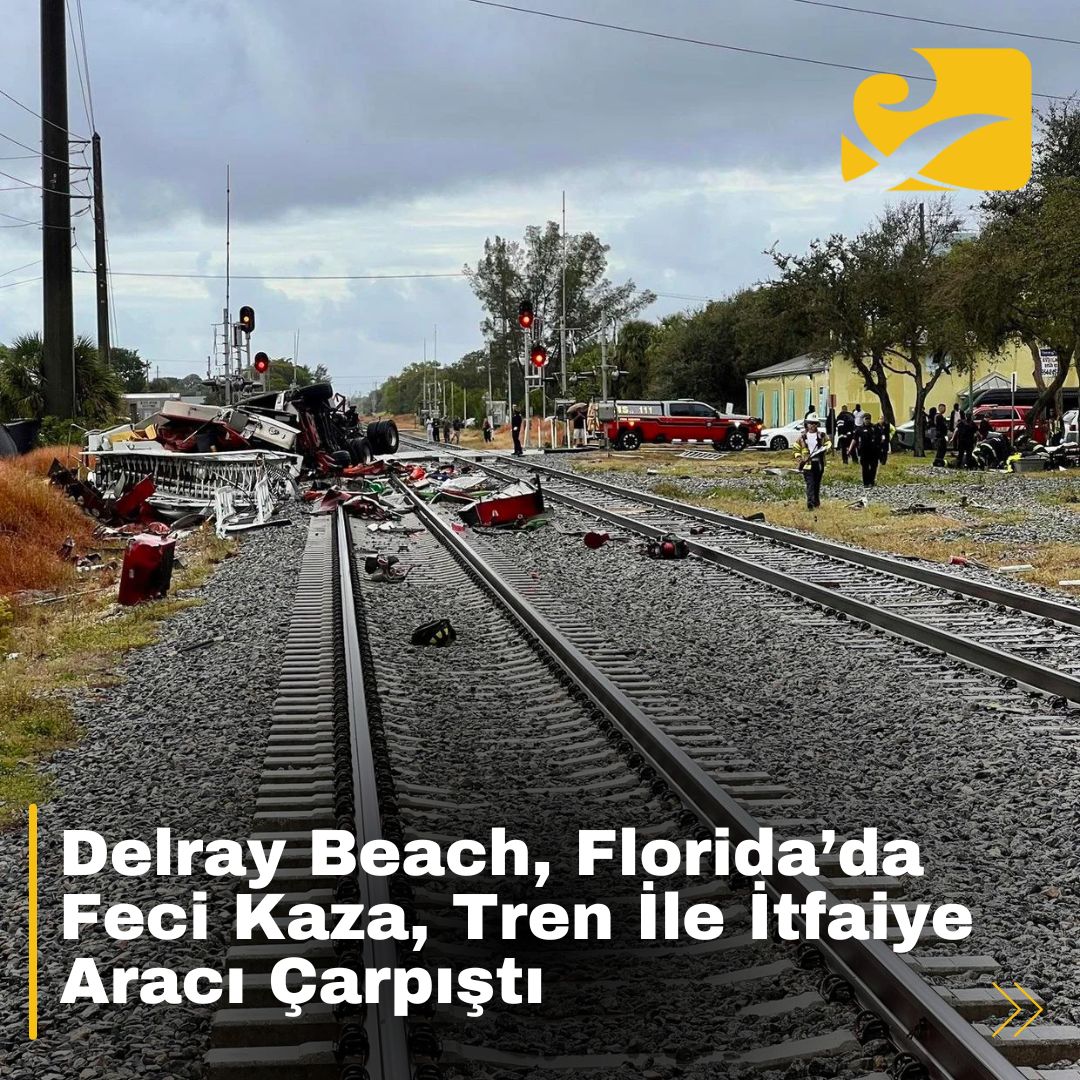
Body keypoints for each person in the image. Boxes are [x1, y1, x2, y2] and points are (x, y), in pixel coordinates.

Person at [794, 412, 831, 510]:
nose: (813, 425)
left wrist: (825, 449)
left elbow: (828, 444)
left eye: (815, 423)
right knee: (810, 484)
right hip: (807, 465)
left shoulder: (822, 435)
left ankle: (816, 503)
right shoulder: (802, 437)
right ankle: (810, 503)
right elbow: (796, 448)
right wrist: (799, 458)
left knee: (817, 484)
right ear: (807, 424)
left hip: (819, 464)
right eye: (811, 423)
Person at [852, 412, 886, 487]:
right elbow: (854, 439)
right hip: (864, 451)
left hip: (874, 451)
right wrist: (850, 449)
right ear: (863, 419)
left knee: (873, 467)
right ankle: (866, 483)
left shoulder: (875, 428)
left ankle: (872, 481)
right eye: (866, 419)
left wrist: (880, 447)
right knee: (865, 467)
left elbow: (881, 438)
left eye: (869, 419)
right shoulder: (859, 429)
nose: (867, 420)